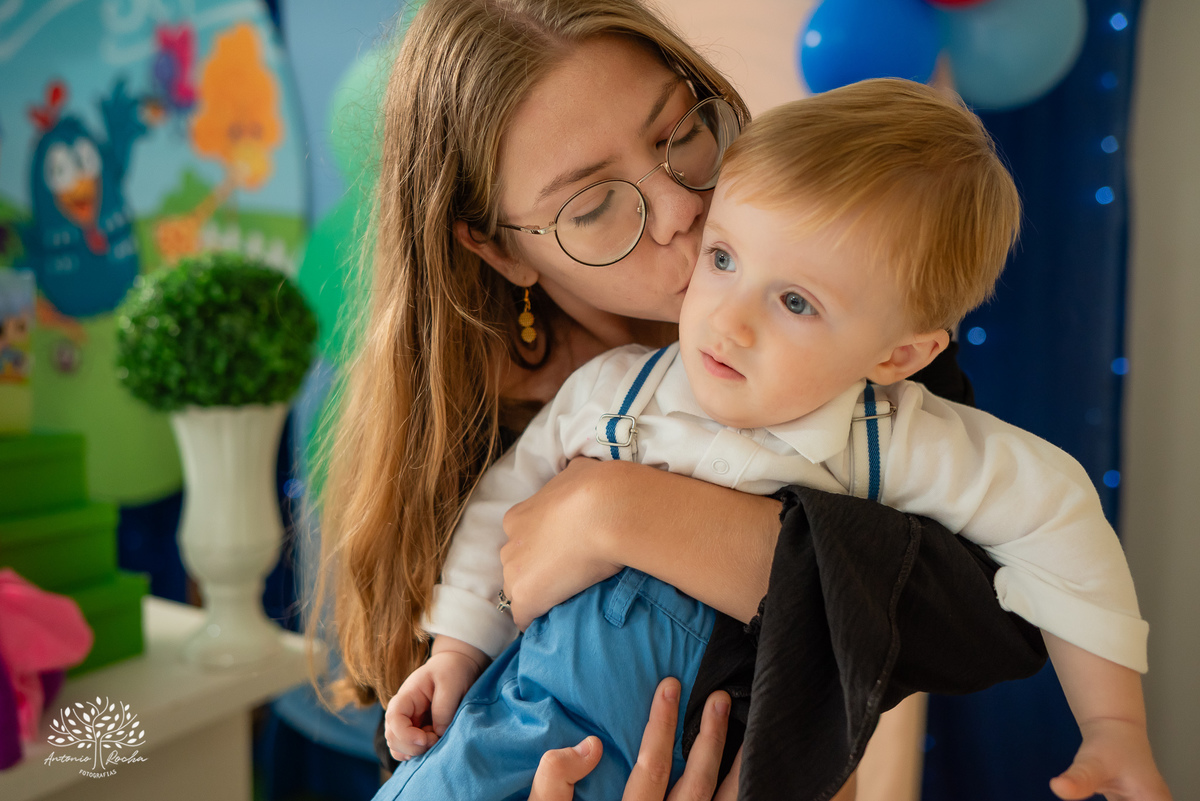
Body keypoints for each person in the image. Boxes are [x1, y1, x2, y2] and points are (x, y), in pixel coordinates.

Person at [378, 80, 1171, 801]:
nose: (730, 317)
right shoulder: (620, 387)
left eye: (795, 300)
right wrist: (456, 651)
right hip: (530, 710)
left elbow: (1055, 516)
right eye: (724, 259)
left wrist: (1114, 725)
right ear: (497, 245)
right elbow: (502, 506)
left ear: (897, 355)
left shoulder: (887, 434)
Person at [313, 0, 1028, 798]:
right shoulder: (456, 443)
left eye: (680, 133)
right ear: (496, 246)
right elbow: (433, 745)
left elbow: (996, 614)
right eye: (592, 206)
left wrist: (615, 513)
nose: (683, 205)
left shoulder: (842, 309)